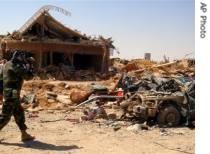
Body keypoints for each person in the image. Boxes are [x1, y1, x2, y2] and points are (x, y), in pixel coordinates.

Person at [0, 51, 35, 142]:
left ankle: (24, 134)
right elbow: (28, 76)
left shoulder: (6, 64)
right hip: (12, 95)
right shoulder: (17, 66)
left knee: (19, 113)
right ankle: (24, 134)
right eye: (23, 57)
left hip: (10, 94)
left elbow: (0, 79)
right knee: (5, 116)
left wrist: (0, 93)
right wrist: (30, 65)